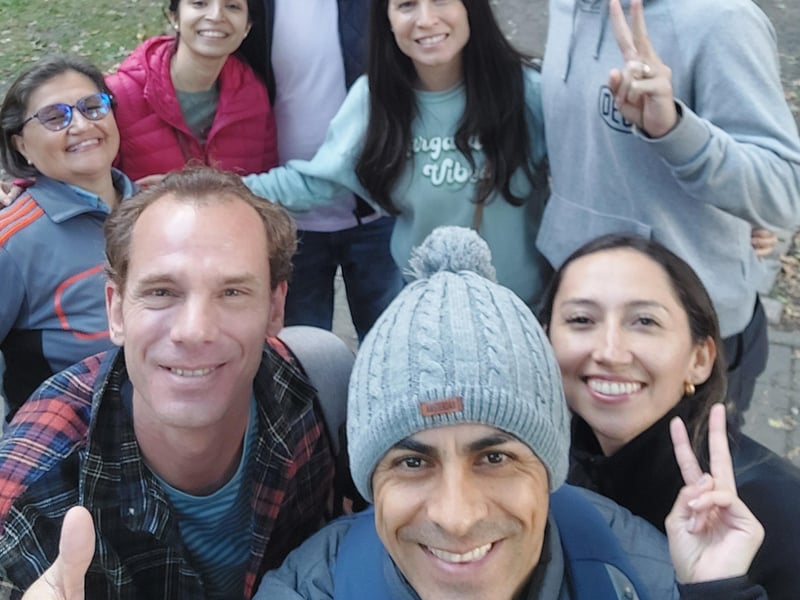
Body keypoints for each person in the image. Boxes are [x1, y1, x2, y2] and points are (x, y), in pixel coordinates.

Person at [254, 226, 765, 600]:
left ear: (549, 469)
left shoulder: (646, 574)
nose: (456, 518)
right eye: (412, 463)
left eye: (495, 458)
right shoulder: (308, 588)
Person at [0, 166, 334, 598]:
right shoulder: (32, 485)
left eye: (232, 292)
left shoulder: (317, 395)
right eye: (161, 292)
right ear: (116, 310)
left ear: (275, 308)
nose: (194, 330)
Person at [538, 0, 800, 428]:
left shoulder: (722, 19)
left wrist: (675, 131)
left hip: (685, 333)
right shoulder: (566, 6)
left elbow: (785, 190)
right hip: (584, 330)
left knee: (685, 488)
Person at [541, 233, 800, 599]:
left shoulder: (779, 515)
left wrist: (719, 591)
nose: (610, 352)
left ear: (699, 359)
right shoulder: (544, 466)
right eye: (582, 319)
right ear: (544, 339)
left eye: (644, 321)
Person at [245, 0, 551, 309]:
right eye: (406, 5)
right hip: (424, 314)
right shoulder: (374, 100)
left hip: (521, 311)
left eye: (441, 1)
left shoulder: (528, 92)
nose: (426, 19)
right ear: (386, 20)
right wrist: (218, 189)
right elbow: (318, 182)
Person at [0, 55, 136, 421]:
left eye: (93, 107)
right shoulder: (12, 241)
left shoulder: (157, 211)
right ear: (21, 145)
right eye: (54, 117)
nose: (80, 124)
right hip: (73, 449)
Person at [258, 0, 402, 341]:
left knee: (393, 347)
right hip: (287, 217)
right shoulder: (253, 8)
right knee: (304, 357)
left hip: (377, 214)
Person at [106, 0, 277, 185]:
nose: (216, 16)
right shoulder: (120, 96)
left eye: (233, 6)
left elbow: (263, 192)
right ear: (175, 17)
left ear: (247, 27)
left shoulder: (254, 96)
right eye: (199, 3)